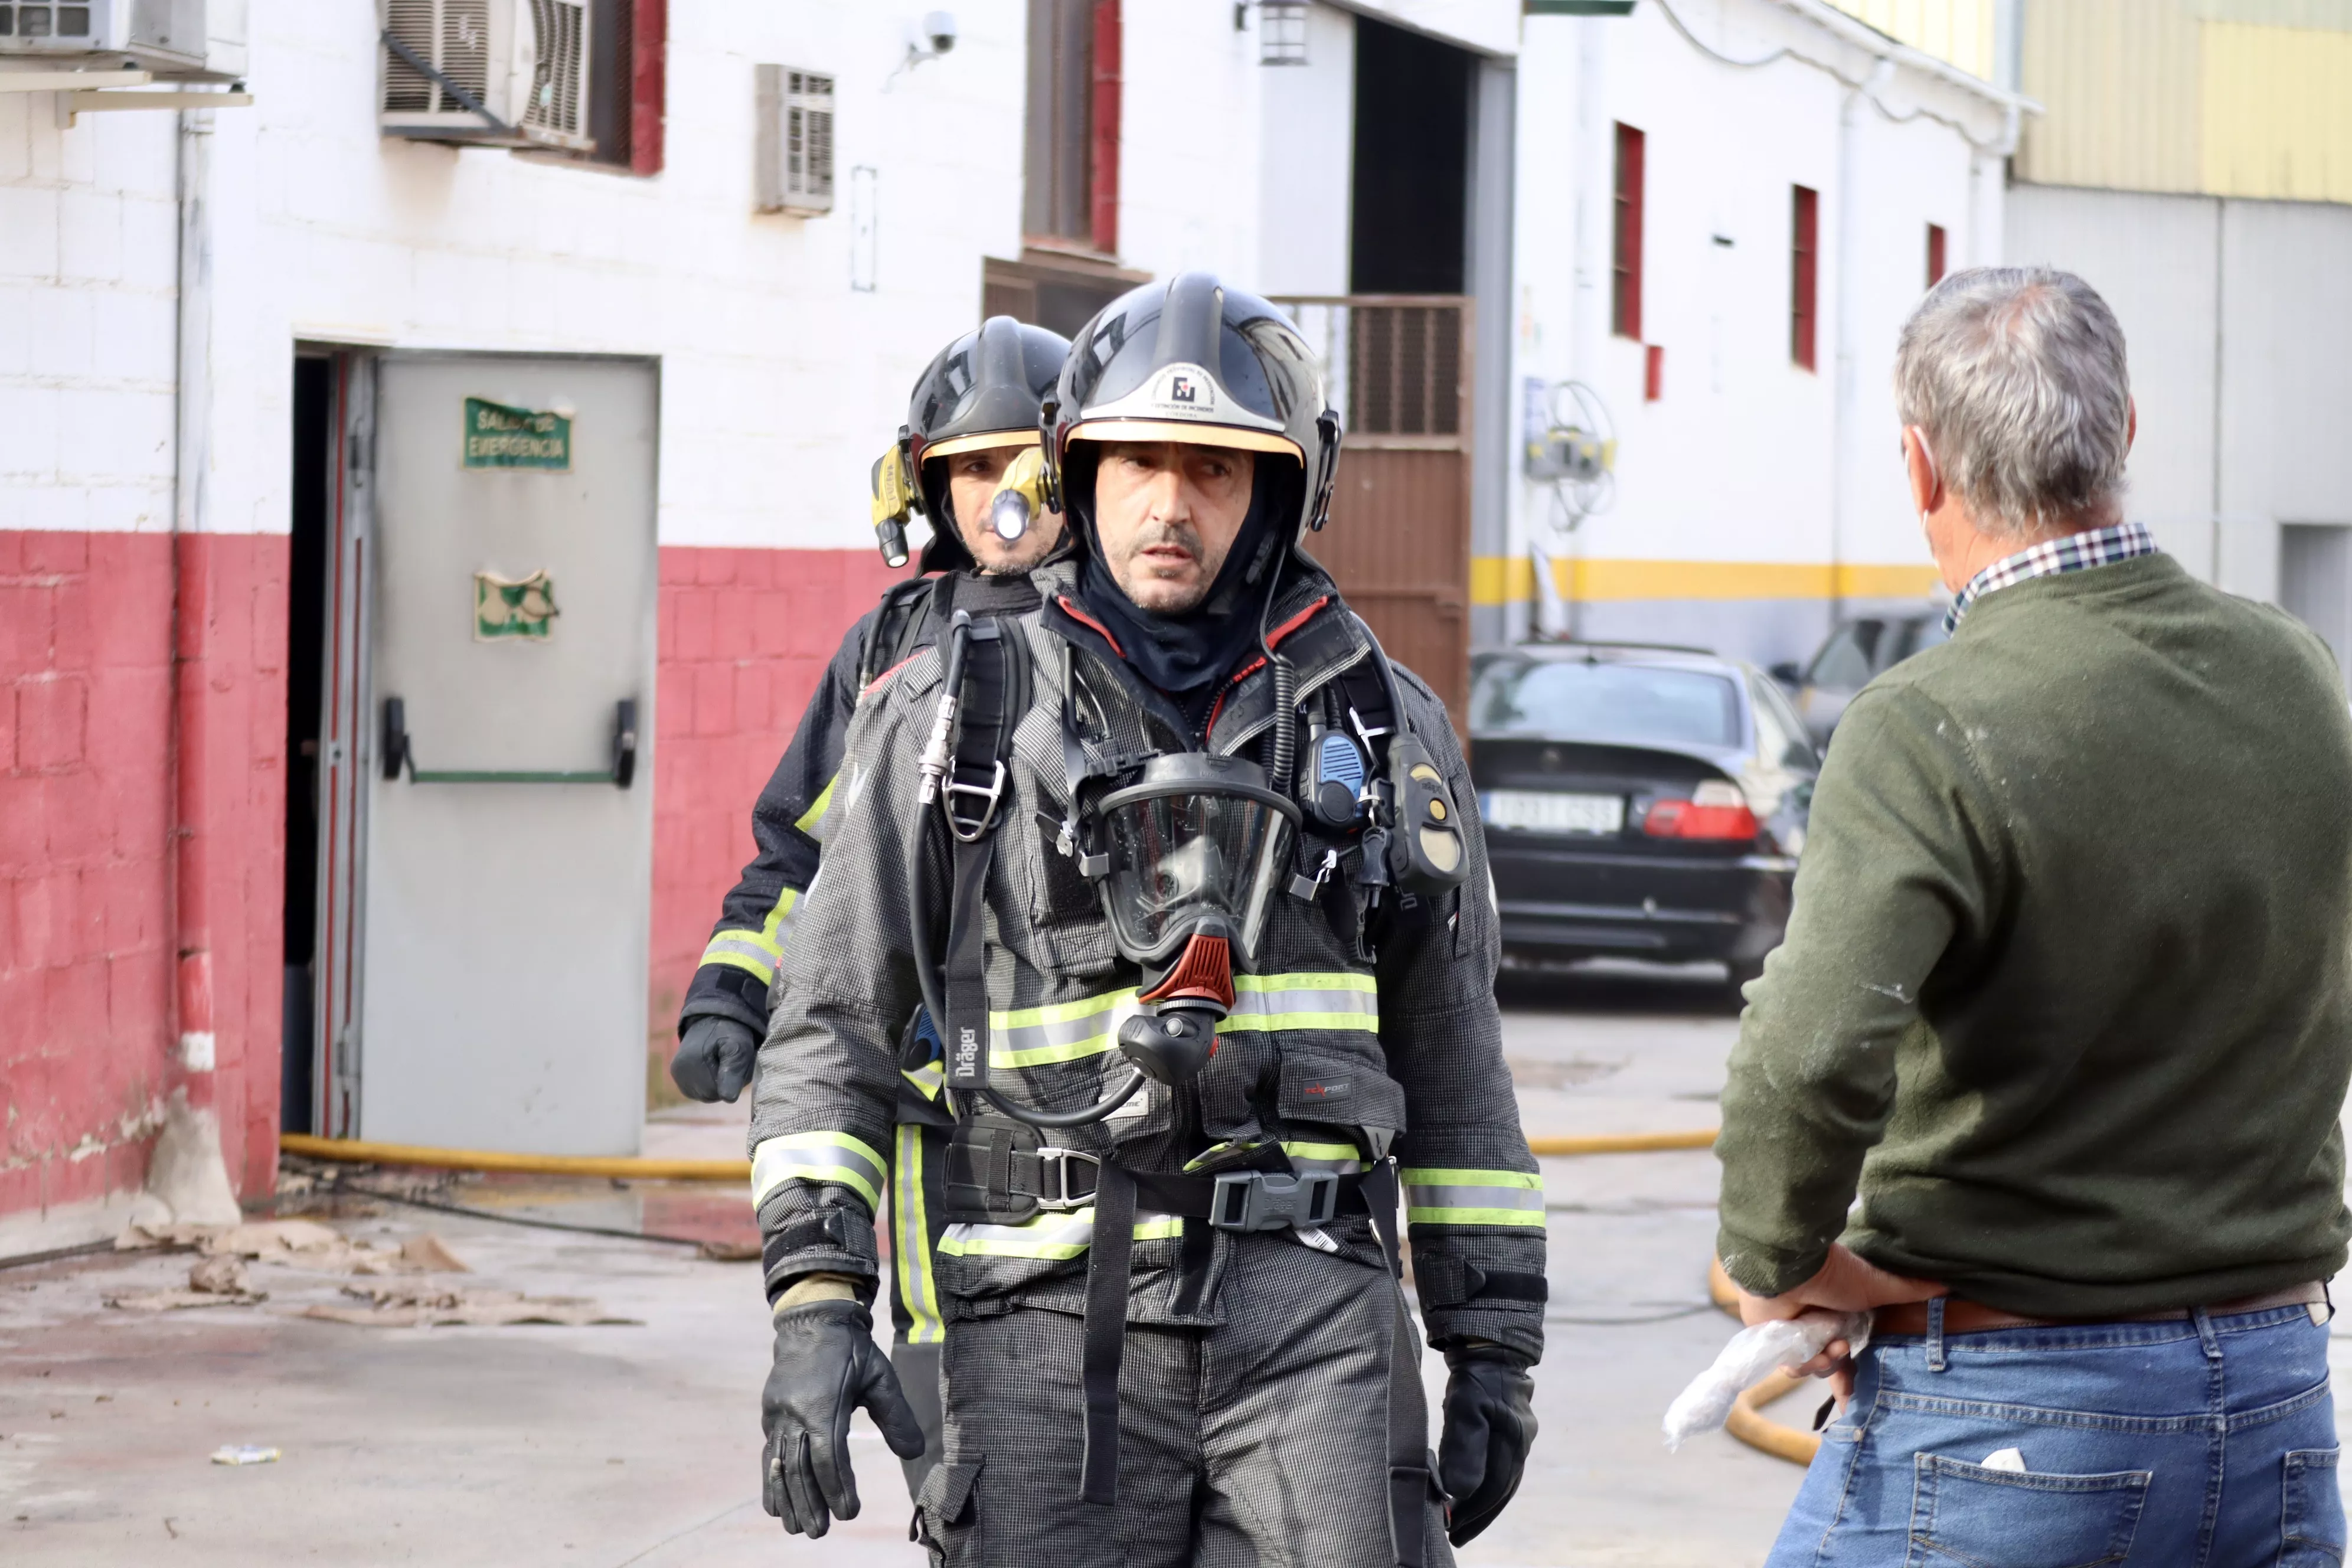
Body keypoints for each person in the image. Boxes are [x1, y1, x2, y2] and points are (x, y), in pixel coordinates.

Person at [744, 272, 1545, 1566]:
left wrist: (1493, 1337)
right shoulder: (955, 714)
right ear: (1076, 469)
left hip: (1314, 1318)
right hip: (1040, 1317)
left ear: (1283, 488)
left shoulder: (1383, 725)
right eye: (1137, 465)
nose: (1170, 505)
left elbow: (1455, 1053)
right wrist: (819, 1299)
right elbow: (831, 1026)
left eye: (1215, 471)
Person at [1716, 266, 2352, 1566]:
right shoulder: (2298, 671)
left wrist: (1776, 1261)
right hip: (2280, 1395)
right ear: (2125, 430)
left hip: (2013, 1418)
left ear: (1919, 467)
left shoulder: (1923, 724)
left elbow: (1809, 1052)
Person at [670, 315, 1071, 1495]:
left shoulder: (1134, 640)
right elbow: (803, 855)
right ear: (926, 486)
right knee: (962, 1458)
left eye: (1023, 468)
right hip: (936, 1118)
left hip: (1102, 1128)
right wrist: (734, 985)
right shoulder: (890, 649)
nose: (1002, 497)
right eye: (970, 471)